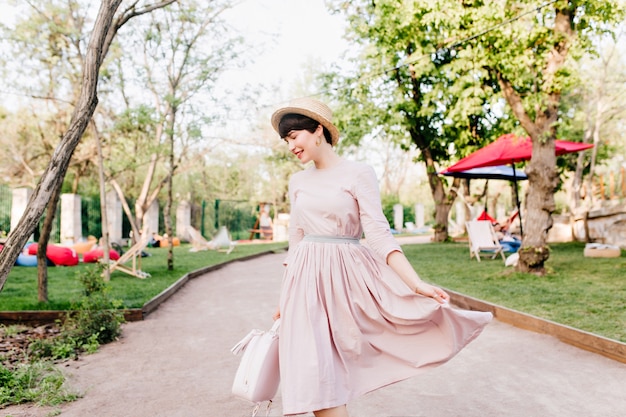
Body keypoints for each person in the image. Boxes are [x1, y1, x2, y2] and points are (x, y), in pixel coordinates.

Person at [270, 98, 493, 417]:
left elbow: (377, 233)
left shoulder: (358, 173)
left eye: (294, 137)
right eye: (286, 140)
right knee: (313, 379)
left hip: (344, 282)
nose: (291, 146)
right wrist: (284, 296)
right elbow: (296, 238)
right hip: (304, 286)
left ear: (318, 129)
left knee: (330, 375)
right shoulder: (298, 181)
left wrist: (415, 284)